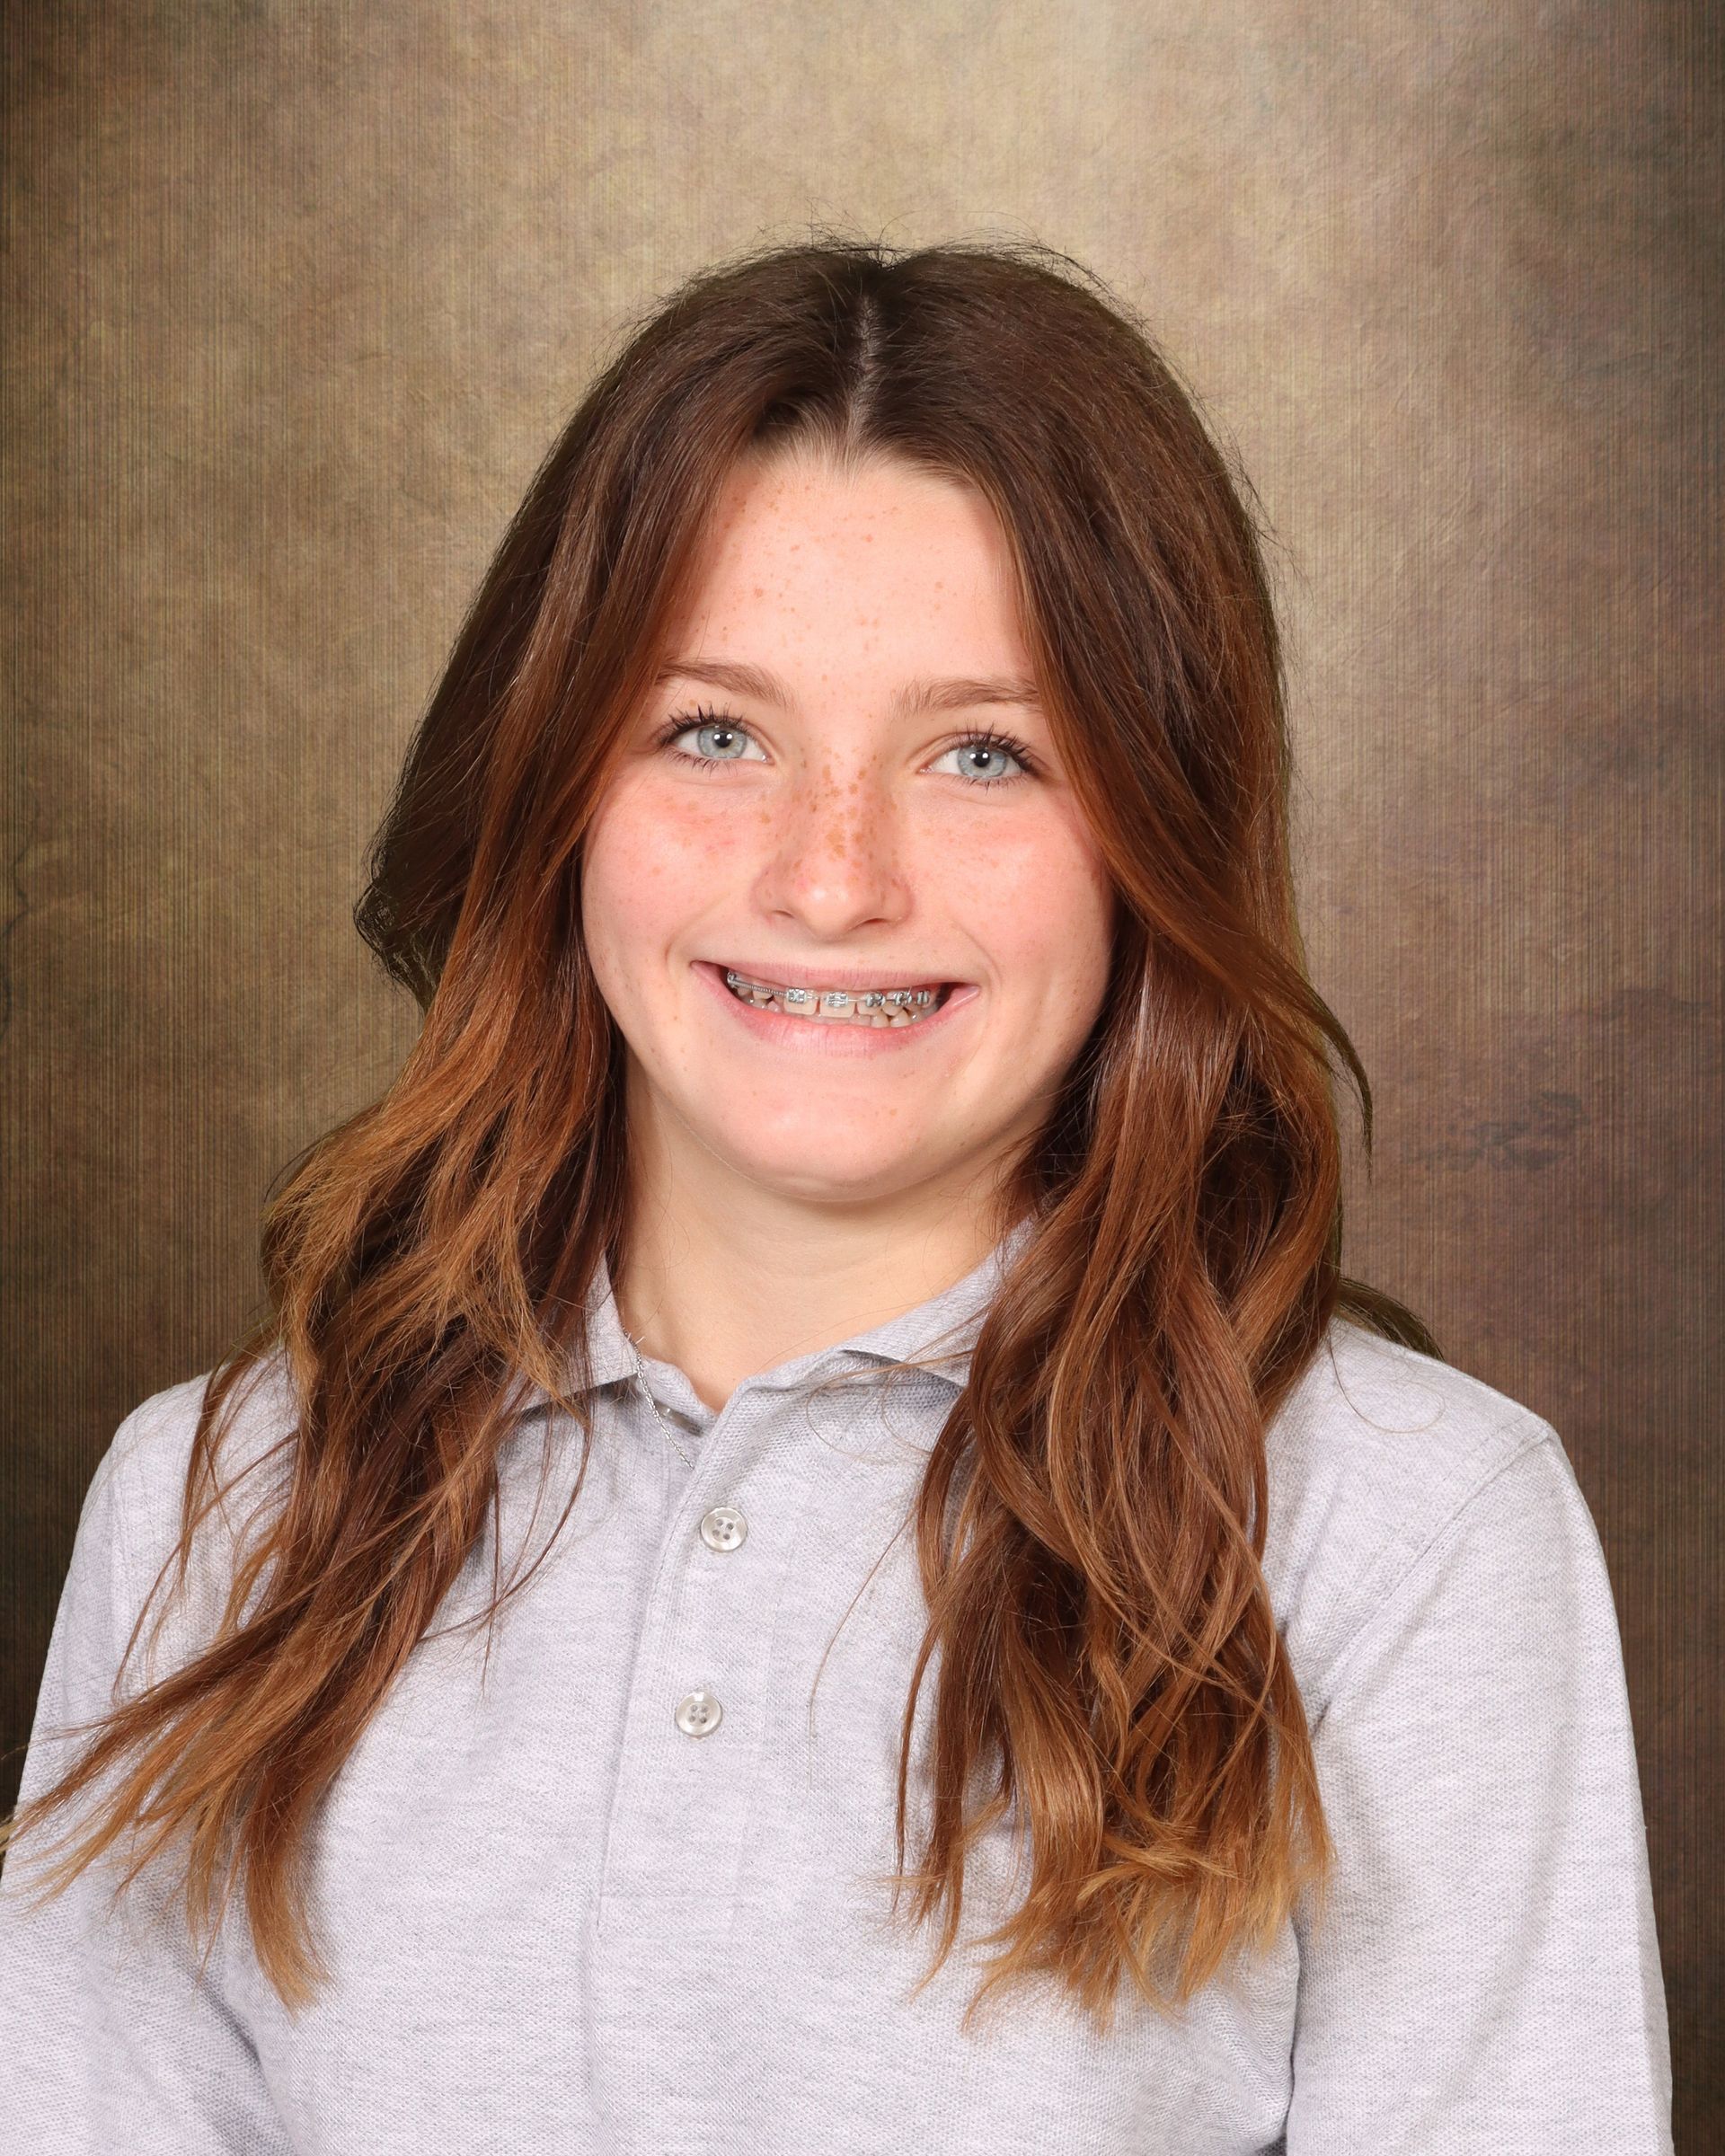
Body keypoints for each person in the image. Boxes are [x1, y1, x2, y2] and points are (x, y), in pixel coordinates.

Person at [0, 241, 1673, 2153]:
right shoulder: (219, 1511)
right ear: (553, 795)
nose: (830, 878)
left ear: (1156, 835)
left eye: (985, 754)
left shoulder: (1409, 1531)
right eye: (715, 731)